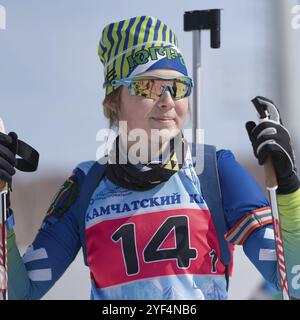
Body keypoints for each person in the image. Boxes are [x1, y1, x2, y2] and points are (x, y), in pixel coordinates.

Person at [1, 15, 300, 300]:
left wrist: (288, 189)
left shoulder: (215, 172)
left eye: (178, 87)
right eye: (149, 86)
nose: (168, 100)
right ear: (113, 100)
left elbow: (292, 284)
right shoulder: (87, 184)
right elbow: (17, 291)